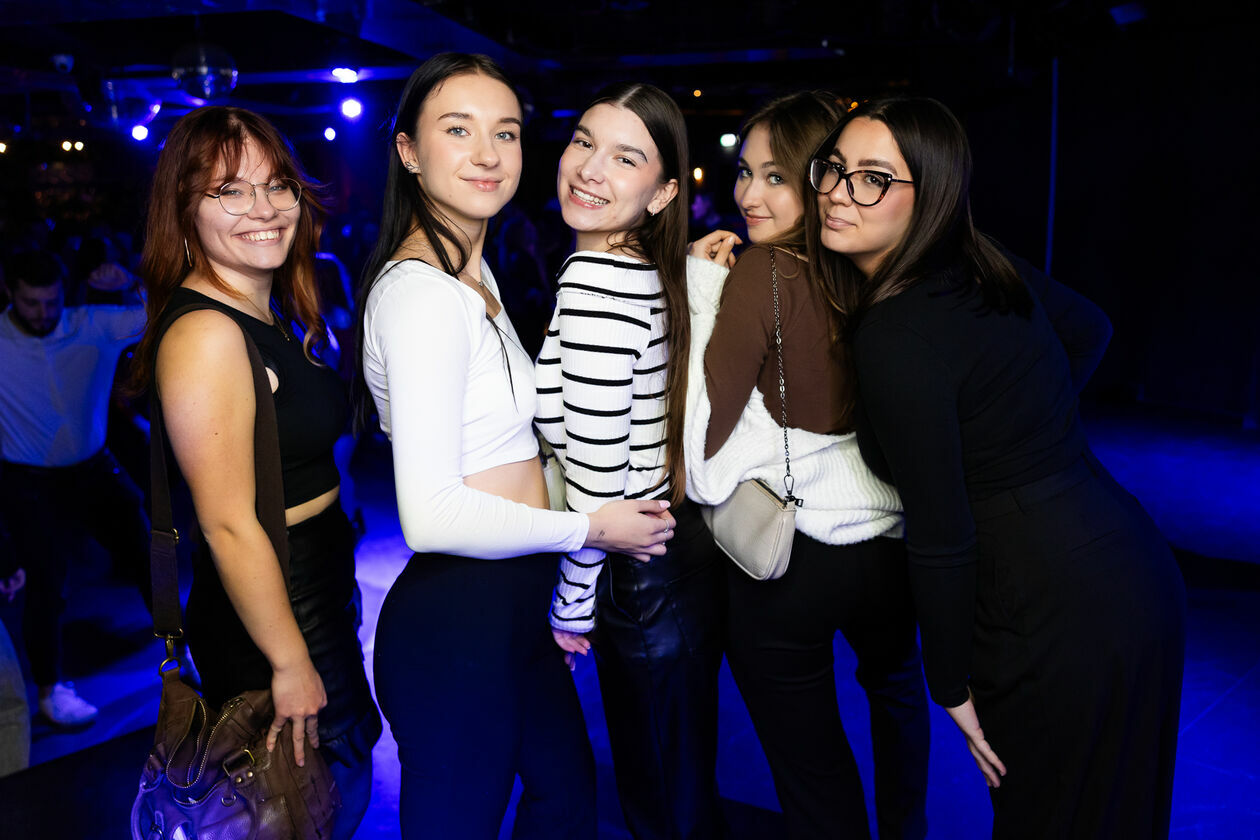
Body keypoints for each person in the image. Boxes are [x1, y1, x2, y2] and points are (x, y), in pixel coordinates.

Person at [807, 96, 1186, 838]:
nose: (838, 192)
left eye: (874, 178)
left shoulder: (895, 332)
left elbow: (942, 533)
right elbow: (1090, 329)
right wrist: (1025, 428)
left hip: (1054, 612)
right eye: (834, 168)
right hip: (1134, 570)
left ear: (932, 194)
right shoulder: (974, 262)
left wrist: (948, 684)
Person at [355, 53, 676, 840]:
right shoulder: (422, 296)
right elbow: (429, 515)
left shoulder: (476, 274)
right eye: (457, 130)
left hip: (515, 605)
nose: (488, 154)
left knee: (565, 801)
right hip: (456, 620)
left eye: (505, 132)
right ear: (408, 151)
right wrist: (590, 529)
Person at [685, 92, 930, 839]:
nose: (748, 195)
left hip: (799, 557)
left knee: (813, 776)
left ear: (820, 180)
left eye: (776, 177)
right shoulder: (883, 266)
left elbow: (701, 456)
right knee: (897, 697)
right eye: (744, 172)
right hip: (891, 550)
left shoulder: (763, 270)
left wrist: (701, 291)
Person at [133, 105, 381, 840]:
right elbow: (227, 524)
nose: (264, 208)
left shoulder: (266, 312)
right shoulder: (206, 333)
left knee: (331, 792)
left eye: (276, 185)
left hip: (315, 587)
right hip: (275, 607)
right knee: (310, 800)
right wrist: (289, 658)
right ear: (184, 210)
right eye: (230, 191)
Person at [537, 83, 726, 840]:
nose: (590, 168)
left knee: (664, 809)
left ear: (664, 192)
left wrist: (570, 605)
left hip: (633, 573)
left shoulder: (594, 282)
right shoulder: (648, 268)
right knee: (681, 797)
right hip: (670, 561)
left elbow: (596, 478)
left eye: (625, 157)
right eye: (584, 141)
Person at [0, 249, 150, 728]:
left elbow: (167, 310)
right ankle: (49, 690)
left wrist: (130, 282)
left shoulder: (91, 323)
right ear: (10, 292)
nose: (43, 312)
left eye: (51, 301)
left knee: (151, 555)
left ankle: (182, 651)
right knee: (46, 584)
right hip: (29, 481)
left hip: (94, 467)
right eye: (31, 302)